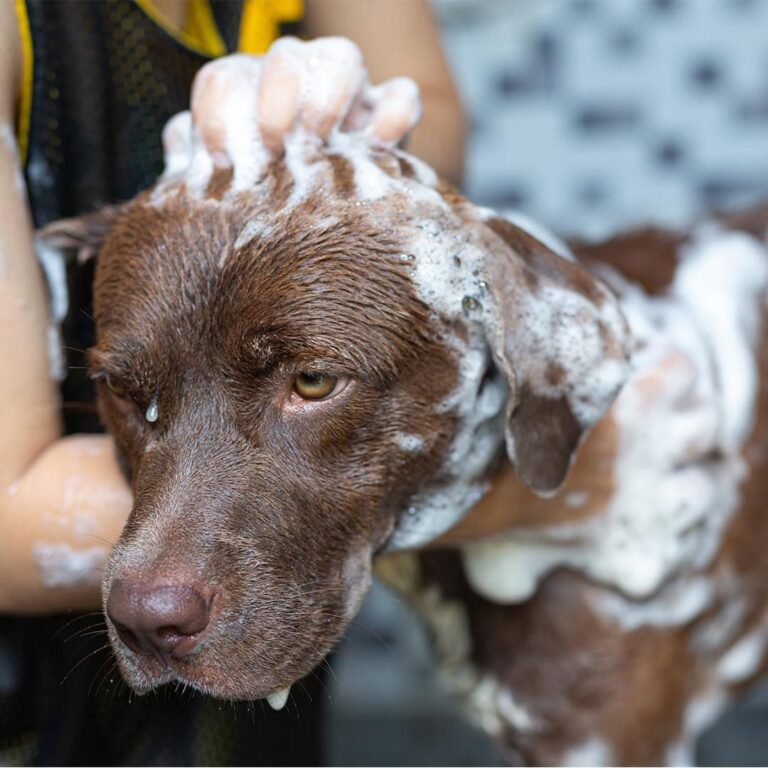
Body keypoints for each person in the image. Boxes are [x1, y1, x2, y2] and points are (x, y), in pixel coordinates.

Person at [0, 1, 465, 763]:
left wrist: (358, 150)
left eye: (311, 380)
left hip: (261, 685)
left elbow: (435, 114)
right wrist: (539, 487)